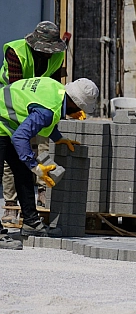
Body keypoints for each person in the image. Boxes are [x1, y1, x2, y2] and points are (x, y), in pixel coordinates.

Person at [0, 77, 97, 250]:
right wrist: (36, 167)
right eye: (79, 108)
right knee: (21, 168)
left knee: (22, 174)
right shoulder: (50, 109)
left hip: (5, 123)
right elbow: (21, 136)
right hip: (3, 124)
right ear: (74, 103)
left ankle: (31, 223)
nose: (78, 112)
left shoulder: (55, 90)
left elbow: (38, 115)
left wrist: (59, 138)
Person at [1, 21, 67, 225]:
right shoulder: (16, 52)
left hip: (37, 106)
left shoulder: (57, 55)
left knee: (42, 151)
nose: (48, 54)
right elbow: (16, 89)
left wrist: (56, 133)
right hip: (11, 105)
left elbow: (54, 84)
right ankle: (11, 207)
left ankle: (40, 198)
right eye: (44, 50)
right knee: (13, 160)